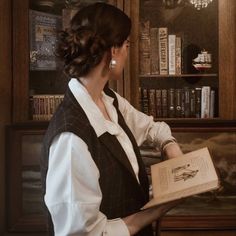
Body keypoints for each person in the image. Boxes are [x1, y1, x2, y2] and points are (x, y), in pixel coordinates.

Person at [41, 2, 183, 236]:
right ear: (113, 52)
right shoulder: (71, 140)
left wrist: (171, 148)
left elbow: (153, 129)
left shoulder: (108, 99)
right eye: (127, 45)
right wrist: (159, 208)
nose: (128, 52)